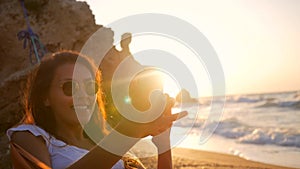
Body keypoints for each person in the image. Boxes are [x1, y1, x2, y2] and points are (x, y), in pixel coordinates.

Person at [7, 50, 187, 169]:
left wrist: (163, 144)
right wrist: (129, 132)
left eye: (90, 87)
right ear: (45, 97)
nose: (83, 96)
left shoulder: (103, 145)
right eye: (70, 87)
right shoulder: (30, 136)